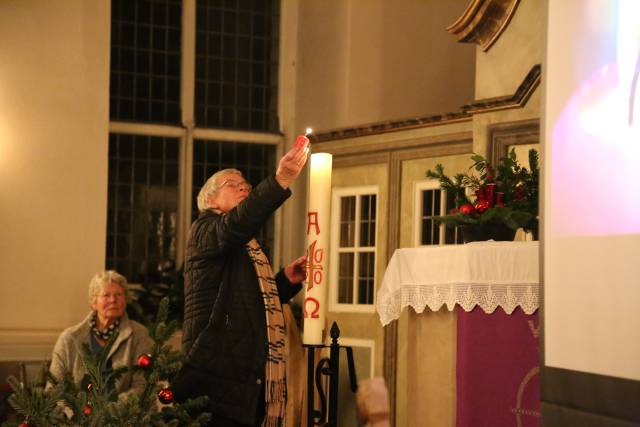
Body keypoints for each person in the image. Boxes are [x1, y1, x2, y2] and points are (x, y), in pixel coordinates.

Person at [171, 136, 310, 427]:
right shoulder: (206, 229)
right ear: (210, 199)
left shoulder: (243, 244)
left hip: (239, 370)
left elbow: (249, 300)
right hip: (215, 370)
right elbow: (237, 223)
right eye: (234, 184)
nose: (244, 186)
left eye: (246, 183)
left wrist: (285, 281)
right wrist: (279, 180)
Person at [49, 270, 153, 395]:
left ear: (125, 301)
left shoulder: (139, 335)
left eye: (119, 294)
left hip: (123, 413)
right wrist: (77, 410)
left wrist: (112, 410)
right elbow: (54, 388)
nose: (113, 300)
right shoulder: (69, 338)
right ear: (94, 302)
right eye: (106, 295)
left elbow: (142, 385)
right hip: (77, 412)